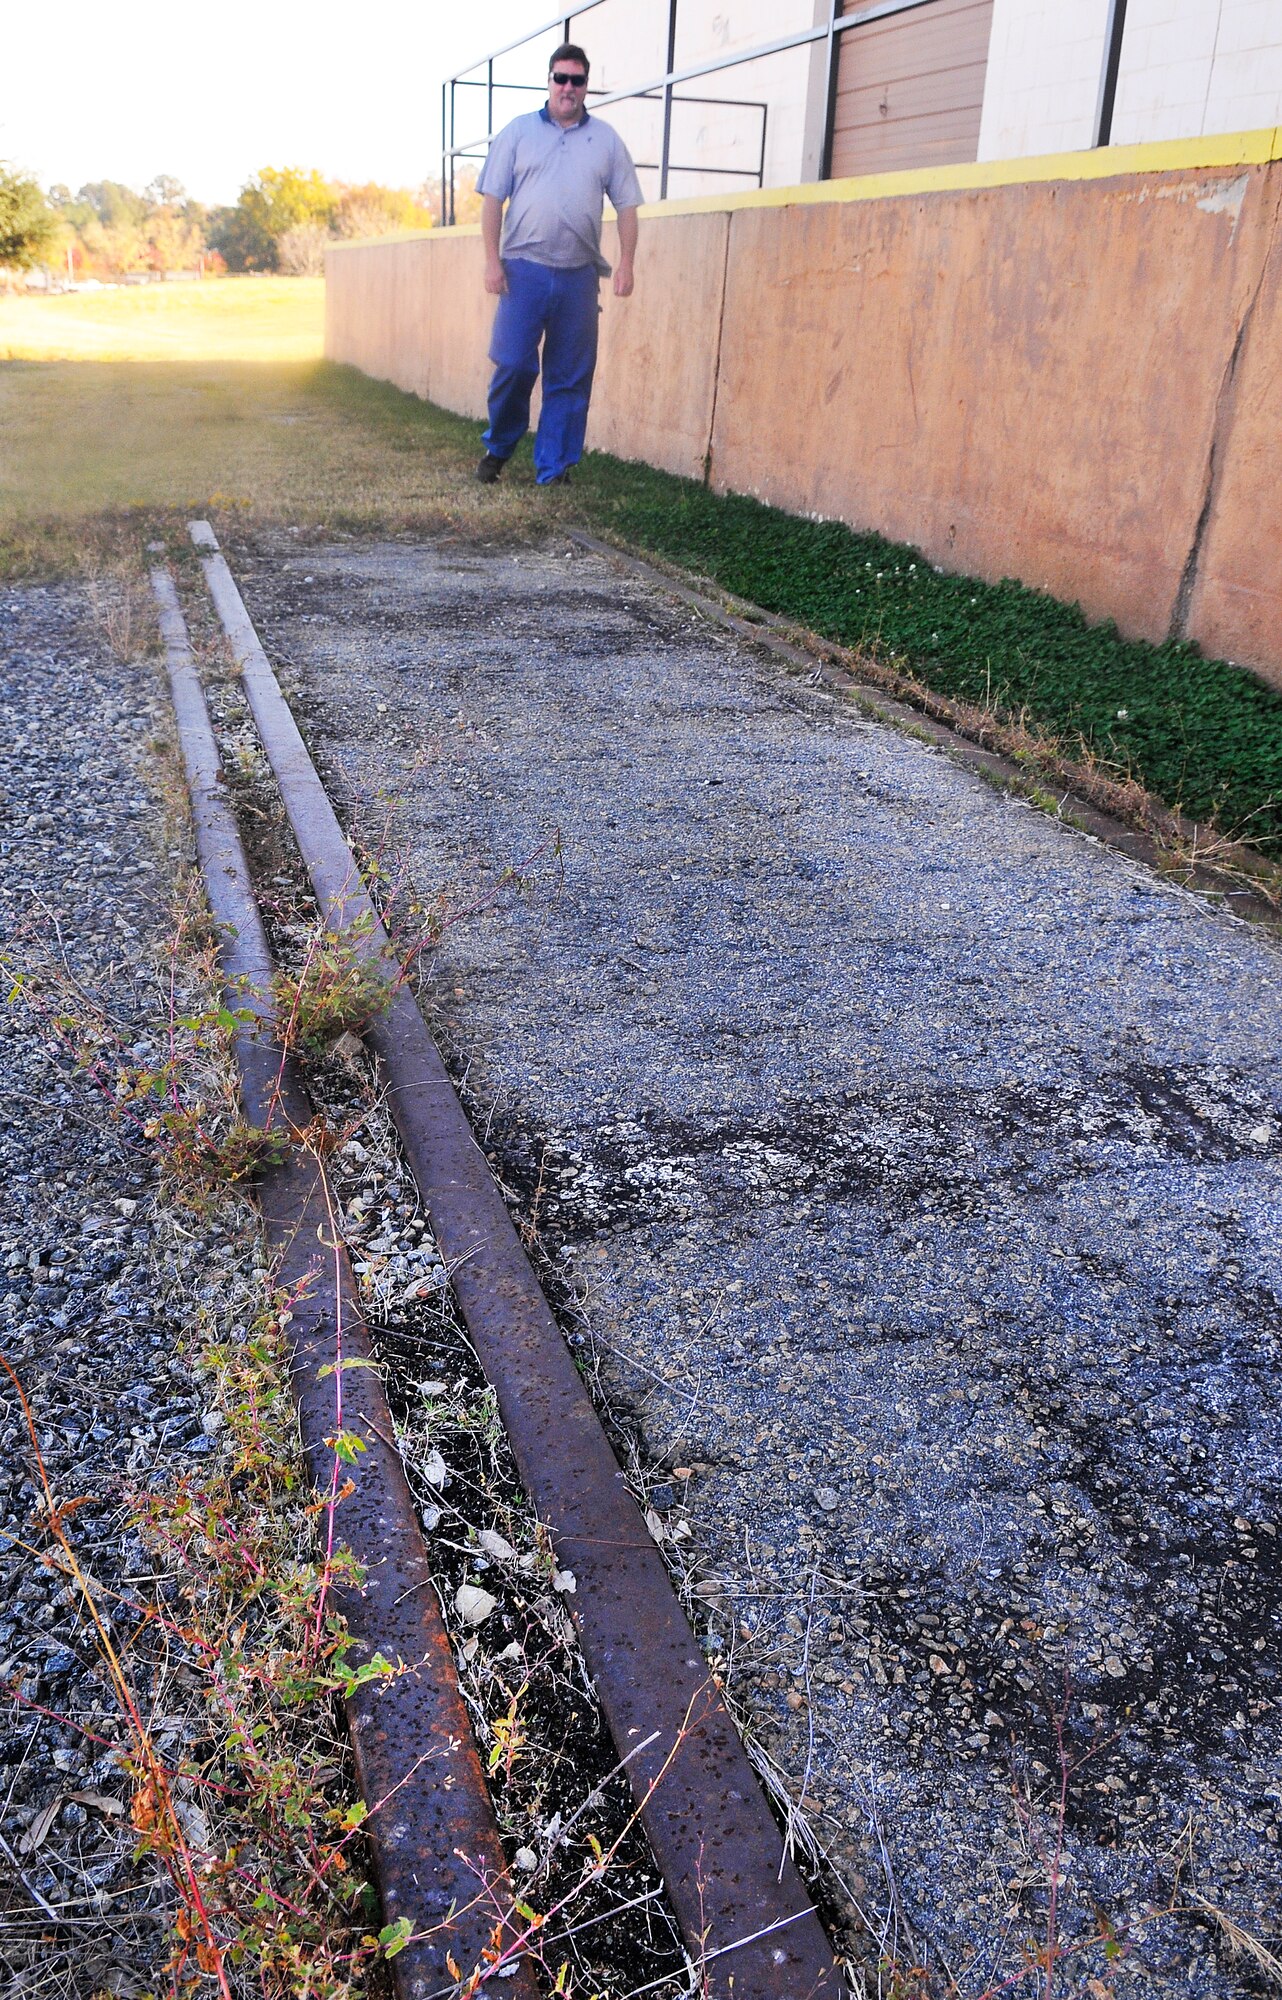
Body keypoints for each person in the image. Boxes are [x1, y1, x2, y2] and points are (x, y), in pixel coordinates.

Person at [474, 43, 643, 487]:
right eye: (560, 78)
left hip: (579, 276)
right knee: (513, 364)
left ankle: (554, 468)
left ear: (587, 86)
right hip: (522, 270)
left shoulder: (605, 140)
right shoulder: (517, 133)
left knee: (569, 377)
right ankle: (498, 447)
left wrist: (626, 264)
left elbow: (627, 206)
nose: (568, 87)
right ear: (548, 81)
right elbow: (493, 201)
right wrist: (492, 262)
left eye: (577, 80)